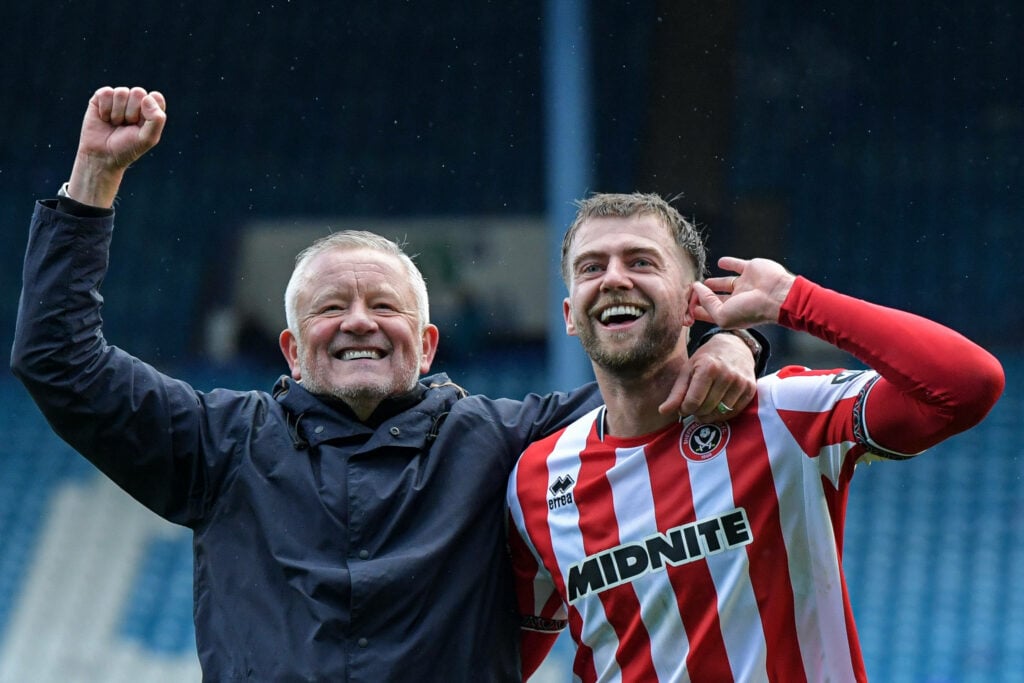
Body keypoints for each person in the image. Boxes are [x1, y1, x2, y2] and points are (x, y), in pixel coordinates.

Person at [10, 87, 766, 682]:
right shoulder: (219, 443)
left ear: (430, 343)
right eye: (331, 308)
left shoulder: (505, 440)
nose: (359, 323)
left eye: (385, 306)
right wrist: (93, 179)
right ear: (292, 349)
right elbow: (58, 360)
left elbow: (651, 376)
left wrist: (738, 337)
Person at [506, 192, 1005, 682]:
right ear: (570, 316)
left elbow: (966, 386)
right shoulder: (535, 480)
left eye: (641, 262)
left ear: (692, 303)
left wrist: (795, 301)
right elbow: (508, 659)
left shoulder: (786, 414)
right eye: (592, 267)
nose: (614, 278)